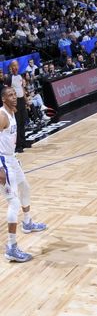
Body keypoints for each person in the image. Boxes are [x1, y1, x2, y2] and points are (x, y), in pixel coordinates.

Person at [0, 87, 46, 262]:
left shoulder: (12, 112)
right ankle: (11, 248)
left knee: (25, 187)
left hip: (11, 159)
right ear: (3, 99)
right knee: (13, 202)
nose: (14, 97)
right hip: (2, 162)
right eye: (10, 95)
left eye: (14, 94)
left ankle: (27, 222)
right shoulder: (2, 115)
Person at [4, 61, 26, 153]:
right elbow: (7, 92)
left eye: (17, 65)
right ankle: (18, 146)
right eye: (13, 66)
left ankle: (23, 142)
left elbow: (21, 88)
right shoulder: (9, 78)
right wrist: (12, 105)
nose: (15, 67)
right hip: (15, 103)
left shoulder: (20, 76)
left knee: (23, 122)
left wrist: (26, 99)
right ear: (11, 67)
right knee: (17, 124)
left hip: (22, 101)